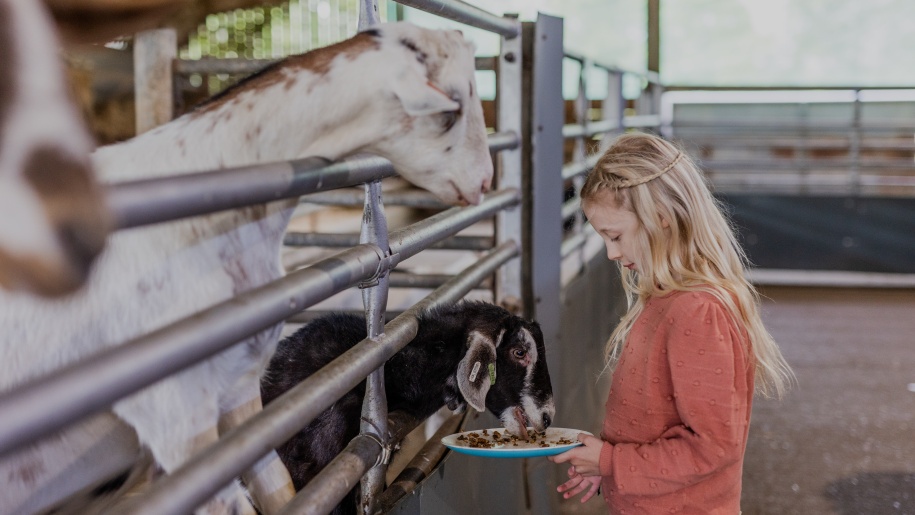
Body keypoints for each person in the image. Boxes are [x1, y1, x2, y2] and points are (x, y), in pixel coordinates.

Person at [549, 131, 794, 514]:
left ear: (661, 218)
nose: (612, 253)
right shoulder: (667, 297)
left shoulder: (696, 310)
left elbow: (712, 447)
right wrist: (607, 465)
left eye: (615, 236)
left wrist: (610, 462)